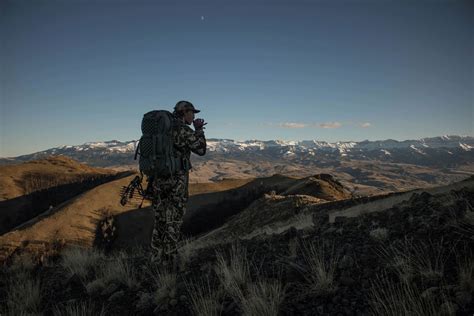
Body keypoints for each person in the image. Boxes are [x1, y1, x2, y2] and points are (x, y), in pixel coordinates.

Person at [150, 100, 207, 265]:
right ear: (184, 112)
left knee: (160, 219)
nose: (194, 116)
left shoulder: (162, 130)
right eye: (192, 113)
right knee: (173, 220)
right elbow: (201, 150)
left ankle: (156, 257)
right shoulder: (183, 130)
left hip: (159, 181)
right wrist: (199, 130)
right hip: (177, 183)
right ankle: (170, 259)